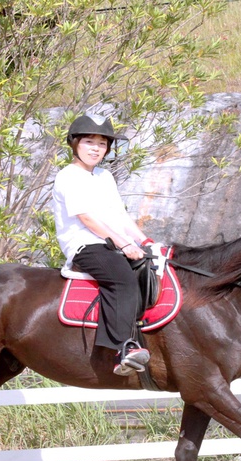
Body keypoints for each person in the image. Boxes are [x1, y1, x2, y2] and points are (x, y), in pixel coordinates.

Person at [51, 114, 154, 376]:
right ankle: (122, 349)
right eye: (89, 141)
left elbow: (120, 215)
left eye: (102, 143)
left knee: (152, 269)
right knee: (121, 278)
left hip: (112, 243)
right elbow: (86, 218)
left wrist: (145, 241)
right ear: (74, 143)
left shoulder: (104, 176)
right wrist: (123, 244)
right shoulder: (69, 176)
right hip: (86, 245)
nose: (96, 148)